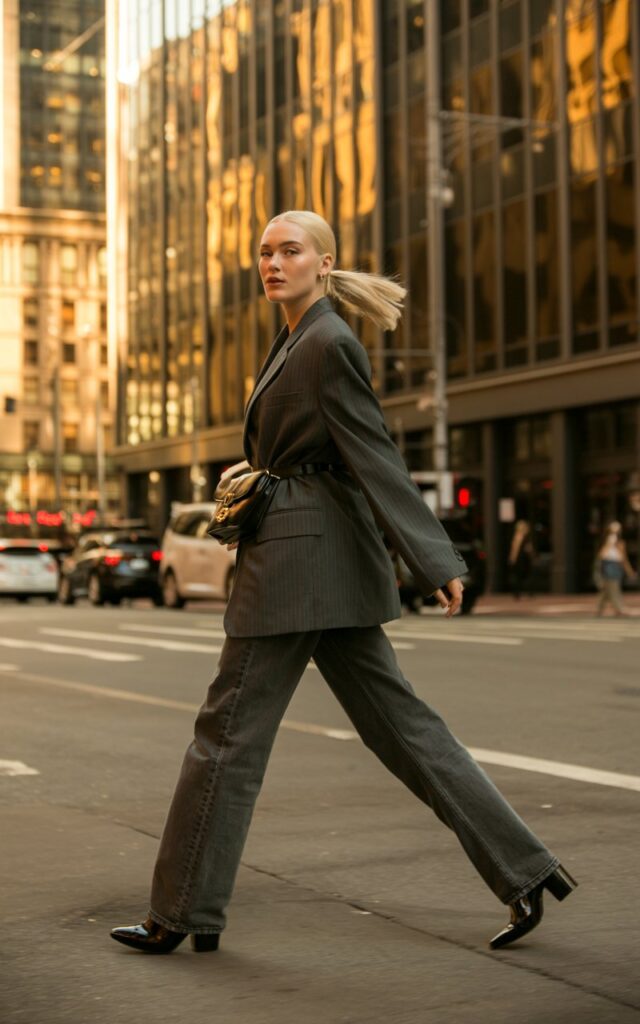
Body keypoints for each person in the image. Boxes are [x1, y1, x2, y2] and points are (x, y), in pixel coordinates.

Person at [111, 210, 576, 956]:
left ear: (324, 263)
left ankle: (180, 911)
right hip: (320, 563)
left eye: (290, 251)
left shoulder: (327, 342)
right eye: (265, 252)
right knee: (406, 730)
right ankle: (527, 870)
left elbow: (374, 454)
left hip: (295, 568)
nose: (273, 263)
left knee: (226, 736)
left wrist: (435, 560)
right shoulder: (298, 338)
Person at [595, 520, 637, 617]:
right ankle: (619, 609)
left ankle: (599, 609)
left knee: (606, 590)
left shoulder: (621, 543)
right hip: (609, 565)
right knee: (613, 588)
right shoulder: (605, 543)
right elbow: (601, 555)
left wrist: (629, 571)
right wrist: (609, 544)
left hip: (616, 565)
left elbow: (623, 558)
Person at [508, 520, 534, 599]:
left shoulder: (517, 537)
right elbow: (528, 549)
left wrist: (512, 559)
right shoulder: (524, 538)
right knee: (523, 577)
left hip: (520, 561)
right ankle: (521, 593)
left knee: (520, 577)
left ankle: (518, 593)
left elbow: (514, 551)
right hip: (522, 561)